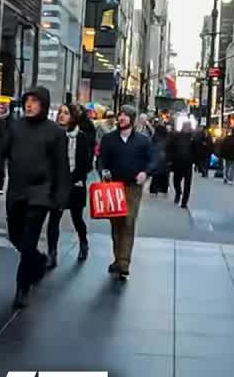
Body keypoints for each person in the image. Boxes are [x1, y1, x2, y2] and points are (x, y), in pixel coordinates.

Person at [0, 87, 70, 308]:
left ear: (43, 104)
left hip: (41, 192)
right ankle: (38, 260)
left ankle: (22, 288)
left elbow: (62, 167)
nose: (29, 105)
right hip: (16, 190)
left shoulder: (55, 133)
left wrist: (61, 197)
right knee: (15, 235)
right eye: (27, 101)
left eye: (34, 101)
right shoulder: (15, 127)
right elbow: (0, 151)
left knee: (30, 238)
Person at [97, 105, 157, 280]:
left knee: (128, 222)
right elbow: (101, 160)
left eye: (125, 115)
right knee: (116, 224)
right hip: (113, 187)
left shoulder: (143, 140)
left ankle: (124, 262)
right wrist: (103, 171)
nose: (121, 118)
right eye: (120, 115)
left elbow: (153, 159)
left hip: (132, 187)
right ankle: (117, 258)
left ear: (132, 118)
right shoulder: (109, 139)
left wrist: (145, 173)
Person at [47, 102, 95, 267]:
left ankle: (83, 242)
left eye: (66, 113)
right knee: (54, 219)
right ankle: (52, 253)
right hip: (56, 184)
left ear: (73, 117)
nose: (62, 115)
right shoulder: (53, 134)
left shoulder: (80, 137)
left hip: (75, 184)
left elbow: (86, 164)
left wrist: (73, 179)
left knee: (77, 218)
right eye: (60, 112)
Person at [167, 122, 195, 208]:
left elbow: (196, 149)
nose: (187, 128)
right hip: (178, 162)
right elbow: (170, 147)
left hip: (188, 163)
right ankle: (178, 192)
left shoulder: (192, 137)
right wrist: (170, 159)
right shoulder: (176, 136)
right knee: (176, 181)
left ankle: (184, 202)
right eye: (186, 126)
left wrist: (195, 160)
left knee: (187, 184)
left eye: (188, 127)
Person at [149, 123, 171, 196]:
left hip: (156, 159)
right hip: (165, 159)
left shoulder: (154, 137)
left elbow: (151, 147)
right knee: (165, 175)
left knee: (156, 175)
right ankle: (164, 189)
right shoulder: (167, 138)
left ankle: (154, 189)